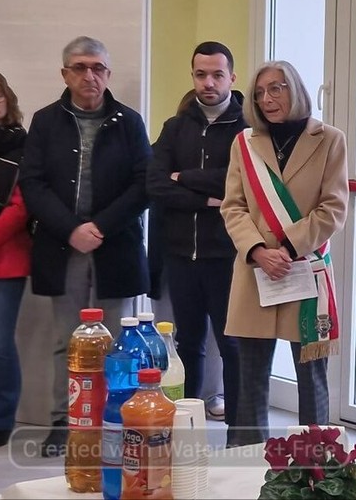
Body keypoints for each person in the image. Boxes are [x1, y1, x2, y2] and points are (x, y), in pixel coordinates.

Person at [19, 36, 151, 457]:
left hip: (115, 246)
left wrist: (101, 227)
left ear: (108, 74)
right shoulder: (45, 121)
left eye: (97, 67)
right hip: (63, 248)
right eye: (79, 67)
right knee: (68, 340)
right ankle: (65, 421)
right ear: (65, 74)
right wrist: (71, 229)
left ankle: (114, 420)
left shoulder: (129, 121)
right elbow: (32, 183)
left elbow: (143, 185)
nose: (89, 75)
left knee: (116, 344)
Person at [221, 60, 348, 446]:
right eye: (260, 93)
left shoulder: (329, 139)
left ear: (295, 90)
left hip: (304, 270)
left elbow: (333, 208)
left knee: (312, 380)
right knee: (250, 381)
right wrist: (258, 250)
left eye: (276, 88)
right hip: (257, 272)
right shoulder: (244, 143)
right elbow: (233, 206)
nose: (267, 99)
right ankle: (248, 461)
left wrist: (289, 247)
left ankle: (317, 464)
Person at [146, 42, 247, 437]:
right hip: (180, 255)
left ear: (231, 78)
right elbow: (155, 183)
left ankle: (240, 433)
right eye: (201, 75)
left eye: (217, 75)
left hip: (227, 255)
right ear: (193, 76)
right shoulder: (175, 127)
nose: (208, 83)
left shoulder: (246, 129)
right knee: (187, 345)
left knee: (233, 345)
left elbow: (238, 182)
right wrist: (205, 199)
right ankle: (186, 430)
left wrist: (184, 177)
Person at [0, 70, 30, 449]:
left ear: (8, 100)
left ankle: (1, 421)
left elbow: (19, 210)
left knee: (0, 344)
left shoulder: (20, 147)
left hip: (5, 261)